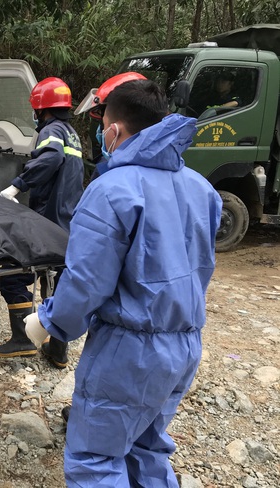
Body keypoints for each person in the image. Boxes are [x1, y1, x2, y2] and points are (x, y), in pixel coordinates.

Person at [24, 79, 222, 486]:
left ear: (113, 129)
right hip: (184, 345)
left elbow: (85, 283)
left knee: (95, 459)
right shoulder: (202, 189)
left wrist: (50, 322)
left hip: (130, 353)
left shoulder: (112, 190)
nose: (101, 134)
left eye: (102, 126)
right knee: (147, 449)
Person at [0, 77, 84, 369]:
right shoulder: (71, 133)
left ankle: (22, 340)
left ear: (40, 108)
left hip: (47, 220)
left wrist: (17, 185)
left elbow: (50, 158)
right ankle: (57, 351)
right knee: (56, 284)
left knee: (13, 271)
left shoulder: (52, 131)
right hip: (67, 221)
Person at [75, 72, 147, 181]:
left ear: (116, 129)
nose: (101, 131)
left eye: (103, 124)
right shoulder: (173, 167)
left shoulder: (107, 174)